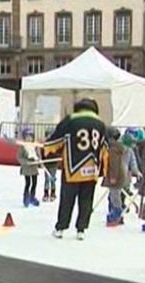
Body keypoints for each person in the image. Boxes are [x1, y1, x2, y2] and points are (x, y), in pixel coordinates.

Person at [44, 98, 108, 241]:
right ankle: (81, 229)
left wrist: (46, 148)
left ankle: (61, 227)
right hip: (91, 169)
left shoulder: (71, 120)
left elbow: (55, 141)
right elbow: (105, 149)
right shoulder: (100, 124)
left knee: (67, 199)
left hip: (73, 169)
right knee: (86, 200)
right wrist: (103, 170)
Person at [102, 127, 127, 226]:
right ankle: (116, 213)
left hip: (116, 177)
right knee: (114, 195)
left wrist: (113, 177)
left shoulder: (113, 149)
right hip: (118, 175)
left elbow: (114, 164)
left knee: (115, 196)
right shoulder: (116, 148)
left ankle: (117, 214)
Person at [17, 128, 41, 207]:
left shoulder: (35, 146)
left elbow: (38, 155)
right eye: (27, 137)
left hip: (34, 168)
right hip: (27, 168)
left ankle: (32, 197)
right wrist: (25, 162)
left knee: (34, 183)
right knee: (28, 183)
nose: (29, 139)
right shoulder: (23, 147)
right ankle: (26, 197)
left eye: (30, 137)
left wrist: (38, 160)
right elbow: (19, 157)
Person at [42, 128, 59, 202]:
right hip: (47, 164)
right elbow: (42, 154)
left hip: (53, 164)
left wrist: (56, 158)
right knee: (46, 179)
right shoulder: (45, 144)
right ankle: (46, 193)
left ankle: (53, 192)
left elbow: (58, 154)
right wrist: (42, 162)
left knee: (52, 178)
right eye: (48, 135)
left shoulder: (55, 144)